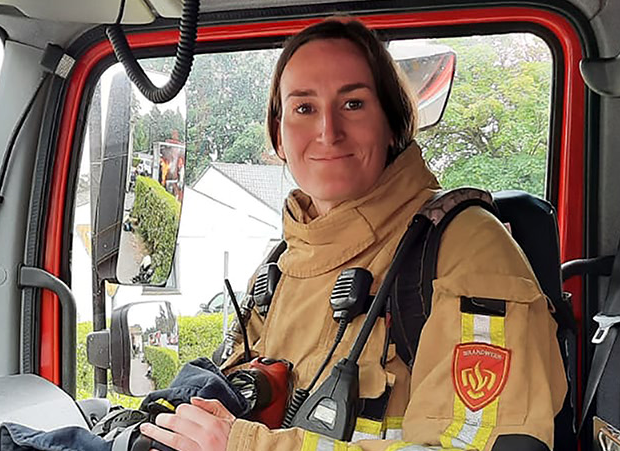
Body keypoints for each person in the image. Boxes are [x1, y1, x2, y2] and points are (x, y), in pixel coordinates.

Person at [138, 18, 566, 451]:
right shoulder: (279, 267)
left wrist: (247, 447)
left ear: (392, 124)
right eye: (304, 108)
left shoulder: (467, 248)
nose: (328, 131)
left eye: (353, 104)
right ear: (279, 137)